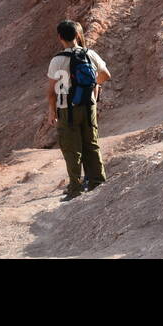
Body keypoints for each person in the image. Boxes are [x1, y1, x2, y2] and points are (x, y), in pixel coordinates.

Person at [46, 19, 111, 201]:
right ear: (77, 35)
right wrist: (88, 87)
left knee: (71, 148)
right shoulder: (90, 54)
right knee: (91, 143)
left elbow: (51, 91)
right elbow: (106, 75)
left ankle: (75, 187)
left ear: (60, 37)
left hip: (66, 108)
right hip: (89, 106)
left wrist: (52, 111)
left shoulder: (57, 60)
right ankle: (97, 181)